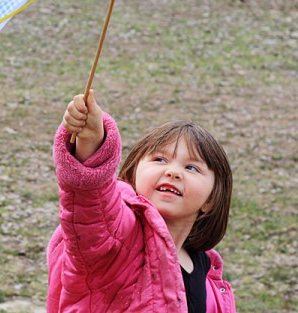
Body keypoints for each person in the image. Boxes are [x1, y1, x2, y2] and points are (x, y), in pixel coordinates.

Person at [47, 90, 236, 313]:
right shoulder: (117, 238)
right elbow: (91, 203)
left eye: (191, 167)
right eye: (160, 159)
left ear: (211, 199)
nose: (173, 172)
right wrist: (90, 142)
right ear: (133, 174)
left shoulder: (208, 274)